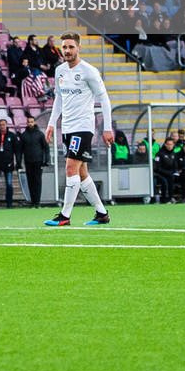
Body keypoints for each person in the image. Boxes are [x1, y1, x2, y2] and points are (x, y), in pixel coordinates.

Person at [44, 32, 111, 227]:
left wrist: (107, 128)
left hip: (83, 127)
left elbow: (104, 99)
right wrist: (51, 123)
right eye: (64, 47)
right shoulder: (60, 71)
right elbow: (59, 98)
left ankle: (65, 216)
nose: (67, 50)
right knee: (81, 173)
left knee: (70, 168)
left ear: (79, 48)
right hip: (67, 128)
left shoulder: (89, 71)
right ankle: (102, 213)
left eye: (71, 47)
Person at [20, 118, 49, 206]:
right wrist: (18, 162)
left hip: (38, 161)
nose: (30, 124)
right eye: (29, 122)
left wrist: (46, 160)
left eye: (32, 122)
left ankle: (37, 202)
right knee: (30, 181)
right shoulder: (24, 135)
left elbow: (46, 148)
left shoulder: (40, 134)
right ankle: (33, 201)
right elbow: (20, 150)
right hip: (28, 161)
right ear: (27, 123)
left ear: (34, 122)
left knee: (37, 181)